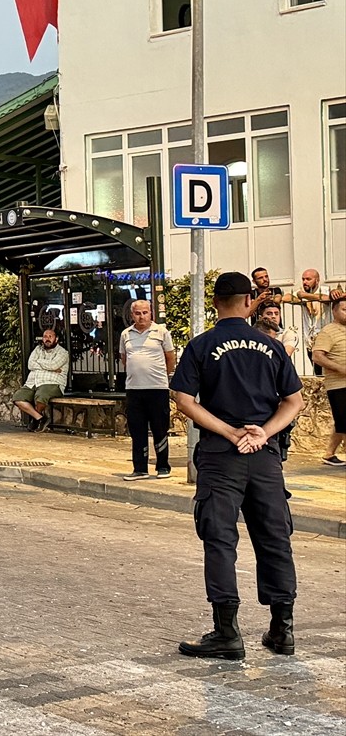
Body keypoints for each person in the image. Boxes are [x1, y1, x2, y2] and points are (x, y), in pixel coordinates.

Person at [171, 271, 304, 660]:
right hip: (264, 458)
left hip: (220, 456)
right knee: (275, 540)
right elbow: (294, 401)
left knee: (220, 541)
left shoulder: (201, 345)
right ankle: (282, 630)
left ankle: (227, 633)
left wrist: (230, 432)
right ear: (250, 303)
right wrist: (262, 433)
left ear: (214, 302)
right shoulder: (272, 346)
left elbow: (183, 398)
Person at [119, 301, 176, 481]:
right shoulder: (126, 334)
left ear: (151, 313)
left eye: (145, 312)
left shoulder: (161, 332)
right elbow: (124, 358)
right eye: (137, 313)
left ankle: (163, 466)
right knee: (137, 430)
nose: (141, 316)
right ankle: (140, 469)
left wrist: (161, 376)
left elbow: (170, 358)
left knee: (160, 429)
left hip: (157, 388)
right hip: (134, 389)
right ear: (131, 315)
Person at [311, 295, 346, 466]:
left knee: (341, 422)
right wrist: (341, 369)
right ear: (334, 311)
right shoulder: (328, 331)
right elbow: (317, 356)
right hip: (339, 385)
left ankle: (328, 454)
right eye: (344, 310)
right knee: (344, 422)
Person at [11, 328, 68, 431]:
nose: (47, 339)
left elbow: (54, 364)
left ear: (56, 339)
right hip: (33, 382)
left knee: (41, 395)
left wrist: (38, 362)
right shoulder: (37, 349)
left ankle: (36, 421)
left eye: (50, 336)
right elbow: (30, 364)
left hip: (52, 383)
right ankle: (40, 418)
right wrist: (50, 367)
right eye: (45, 336)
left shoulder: (63, 352)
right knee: (18, 397)